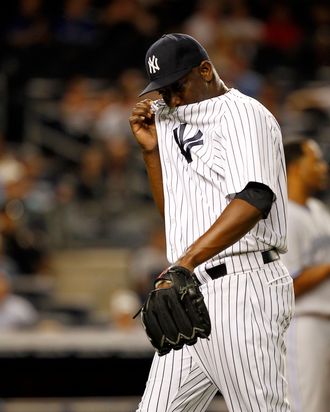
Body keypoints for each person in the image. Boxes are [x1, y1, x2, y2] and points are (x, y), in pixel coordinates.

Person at [129, 33, 294, 412]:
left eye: (176, 86)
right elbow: (175, 217)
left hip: (245, 286)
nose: (170, 99)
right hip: (190, 294)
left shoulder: (243, 114)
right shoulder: (171, 120)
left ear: (205, 70)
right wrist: (152, 153)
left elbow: (255, 198)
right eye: (162, 91)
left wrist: (184, 262)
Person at [282, 137, 330, 412]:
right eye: (317, 160)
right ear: (297, 167)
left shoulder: (319, 211)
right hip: (304, 322)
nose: (323, 168)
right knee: (306, 407)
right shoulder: (283, 215)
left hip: (324, 319)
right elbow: (290, 285)